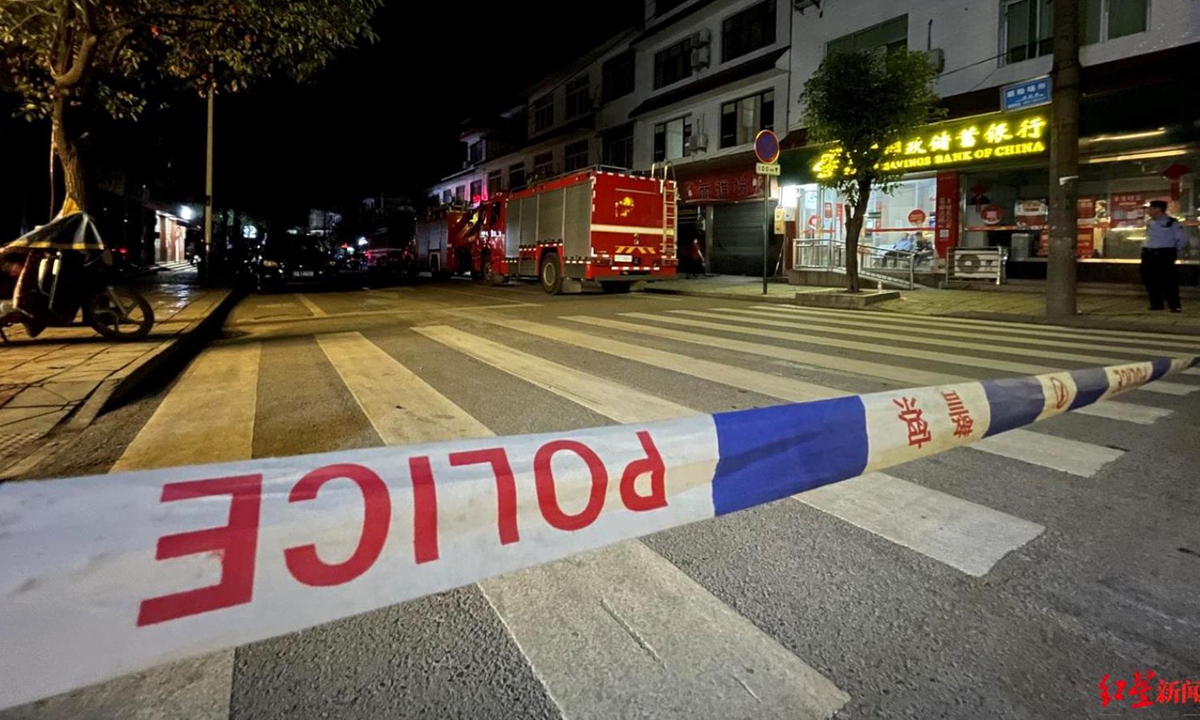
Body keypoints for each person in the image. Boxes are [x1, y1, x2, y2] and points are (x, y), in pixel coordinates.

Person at [1141, 200, 1188, 313]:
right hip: (1149, 253)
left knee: (1169, 280)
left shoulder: (1172, 223)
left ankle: (1174, 305)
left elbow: (1182, 239)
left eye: (1151, 208)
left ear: (1158, 209)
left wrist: (1173, 250)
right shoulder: (1149, 222)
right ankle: (1156, 303)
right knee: (1150, 280)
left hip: (1164, 253)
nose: (1148, 211)